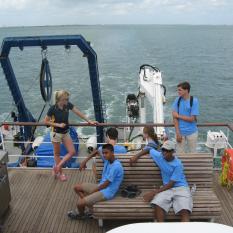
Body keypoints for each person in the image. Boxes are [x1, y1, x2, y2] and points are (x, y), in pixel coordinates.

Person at [130, 140, 193, 222]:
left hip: (181, 187)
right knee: (158, 205)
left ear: (173, 152)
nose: (164, 152)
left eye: (167, 150)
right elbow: (149, 149)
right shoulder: (159, 156)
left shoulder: (178, 164)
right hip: (166, 189)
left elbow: (171, 184)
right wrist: (136, 156)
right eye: (163, 149)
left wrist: (153, 193)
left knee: (184, 210)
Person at [44, 90, 97, 181]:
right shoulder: (52, 109)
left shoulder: (67, 105)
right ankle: (60, 173)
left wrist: (89, 121)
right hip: (55, 133)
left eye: (68, 99)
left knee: (72, 152)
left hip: (65, 132)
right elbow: (46, 121)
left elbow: (78, 112)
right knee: (57, 154)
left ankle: (58, 166)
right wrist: (58, 125)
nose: (67, 100)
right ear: (60, 99)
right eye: (66, 99)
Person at [68, 143, 124, 219]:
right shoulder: (108, 159)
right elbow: (97, 151)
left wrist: (91, 193)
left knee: (79, 203)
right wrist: (84, 161)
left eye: (106, 153)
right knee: (76, 187)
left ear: (112, 153)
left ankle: (81, 215)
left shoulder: (116, 167)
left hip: (107, 192)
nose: (104, 155)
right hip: (100, 186)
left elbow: (105, 185)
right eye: (103, 153)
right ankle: (90, 208)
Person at [172, 81, 199, 153]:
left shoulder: (194, 101)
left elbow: (192, 119)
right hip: (180, 133)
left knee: (193, 154)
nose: (178, 92)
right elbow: (174, 117)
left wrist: (178, 115)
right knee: (180, 154)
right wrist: (178, 133)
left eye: (180, 90)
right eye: (178, 90)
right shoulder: (177, 100)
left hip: (192, 132)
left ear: (186, 90)